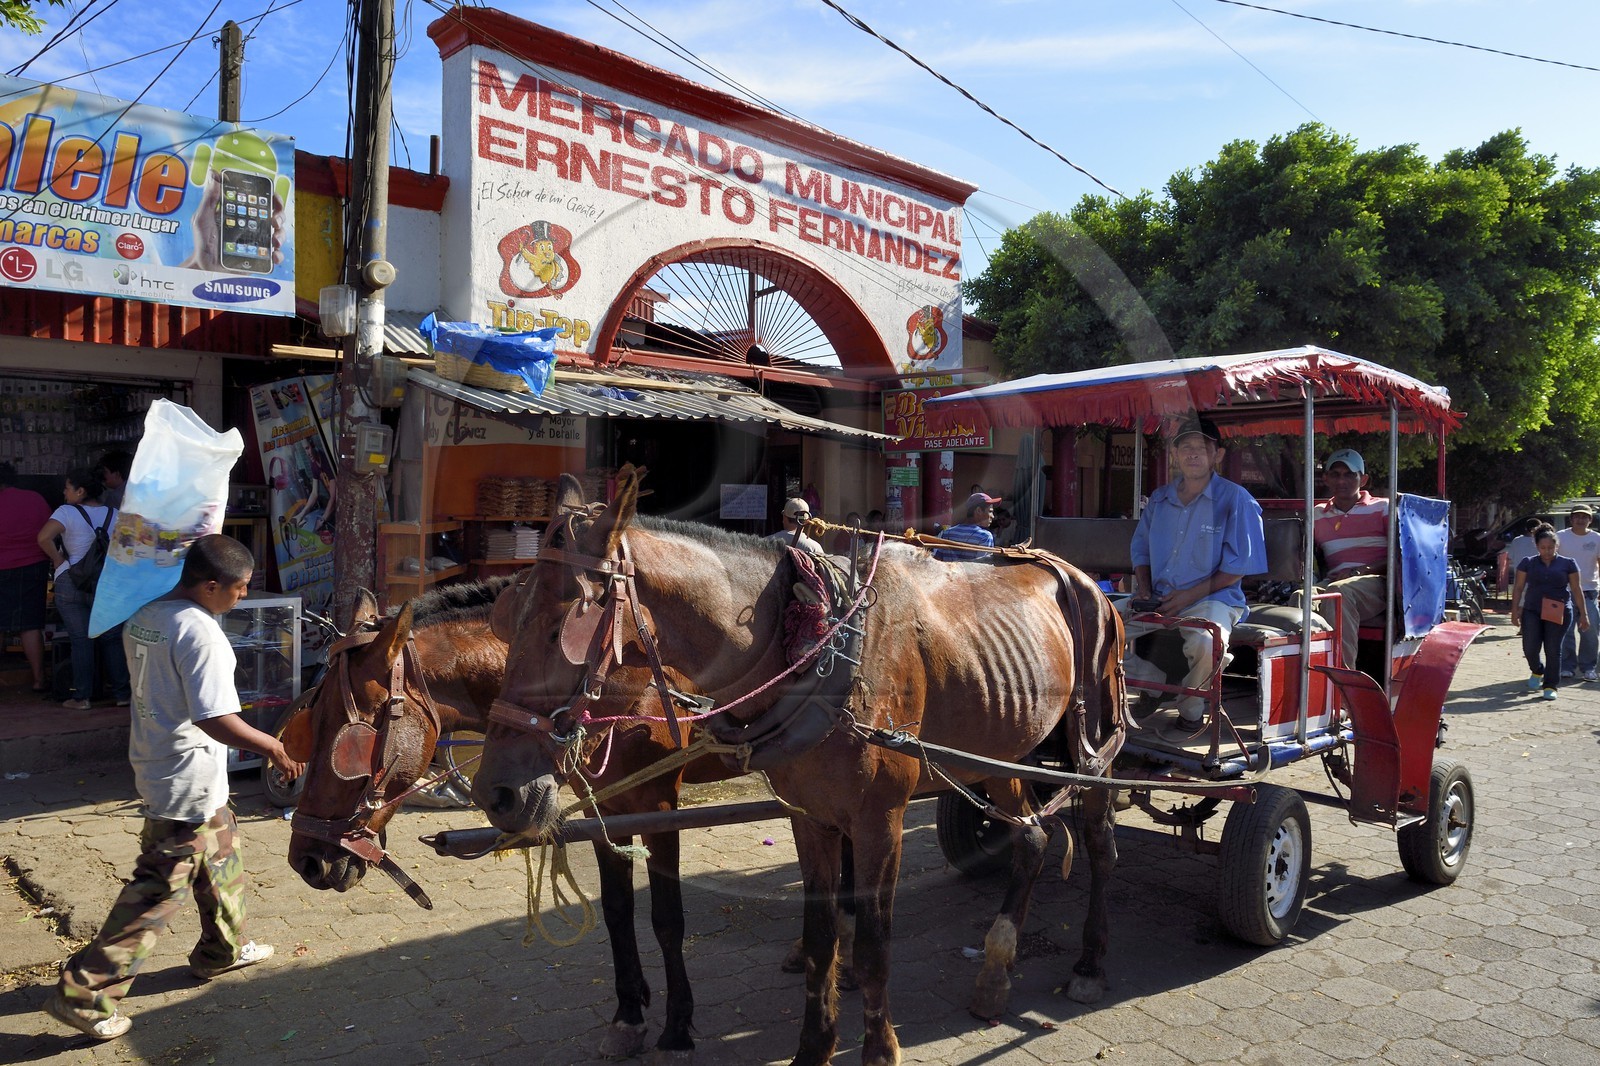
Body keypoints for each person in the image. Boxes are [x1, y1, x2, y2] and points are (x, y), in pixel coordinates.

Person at [44, 535, 304, 1042]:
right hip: (185, 775)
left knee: (220, 852)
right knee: (158, 889)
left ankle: (223, 950)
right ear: (210, 585)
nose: (243, 598)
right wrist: (272, 747)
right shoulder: (199, 632)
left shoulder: (149, 613)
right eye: (239, 589)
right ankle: (85, 994)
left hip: (166, 761)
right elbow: (215, 718)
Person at [1122, 414, 1267, 731]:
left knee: (1205, 641)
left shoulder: (1236, 500)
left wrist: (1188, 596)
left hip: (1213, 599)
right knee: (1095, 625)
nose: (1193, 454)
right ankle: (1153, 684)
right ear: (1174, 455)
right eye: (1185, 447)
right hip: (1158, 597)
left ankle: (1190, 709)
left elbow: (1238, 567)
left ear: (1218, 455)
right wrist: (1144, 589)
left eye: (1202, 447)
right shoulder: (1160, 500)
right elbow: (1141, 550)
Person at [36, 468, 129, 709]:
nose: (64, 492)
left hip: (71, 581)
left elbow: (44, 538)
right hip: (106, 582)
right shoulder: (116, 514)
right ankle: (122, 695)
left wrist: (58, 561)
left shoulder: (66, 512)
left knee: (80, 640)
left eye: (67, 488)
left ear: (80, 491)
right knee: (111, 639)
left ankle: (82, 698)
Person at [1299, 448, 1389, 672]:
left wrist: (1361, 571)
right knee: (1300, 597)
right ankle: (1304, 673)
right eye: (1336, 474)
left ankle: (1342, 681)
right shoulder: (1317, 514)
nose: (1342, 480)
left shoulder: (1383, 508)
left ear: (1363, 479)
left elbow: (1400, 557)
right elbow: (1305, 555)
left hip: (1376, 583)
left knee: (1340, 594)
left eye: (1350, 474)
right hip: (1334, 582)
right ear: (1326, 478)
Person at [1511, 523, 1588, 701]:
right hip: (1532, 610)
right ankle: (1538, 670)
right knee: (1530, 647)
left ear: (1557, 546)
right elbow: (1518, 588)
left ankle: (1551, 685)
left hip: (1559, 610)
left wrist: (1583, 614)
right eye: (1543, 548)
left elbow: (1576, 589)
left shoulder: (1568, 564)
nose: (1547, 551)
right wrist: (1515, 611)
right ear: (1537, 547)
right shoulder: (1528, 563)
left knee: (1553, 649)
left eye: (1550, 547)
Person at [0, 461, 52, 693]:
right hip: (33, 566)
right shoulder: (34, 498)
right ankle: (39, 679)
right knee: (30, 626)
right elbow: (50, 530)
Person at [1557, 505, 1600, 682]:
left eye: (1585, 517)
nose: (1581, 520)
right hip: (1563, 591)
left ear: (1590, 520)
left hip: (1588, 590)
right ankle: (1567, 666)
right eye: (1577, 516)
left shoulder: (1597, 538)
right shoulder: (1560, 537)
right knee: (1565, 631)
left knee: (1590, 630)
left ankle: (1589, 667)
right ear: (1571, 519)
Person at [935, 492, 1001, 561]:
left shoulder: (947, 533)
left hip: (948, 571)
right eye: (990, 511)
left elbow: (938, 560)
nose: (993, 516)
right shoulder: (985, 537)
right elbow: (983, 568)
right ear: (978, 511)